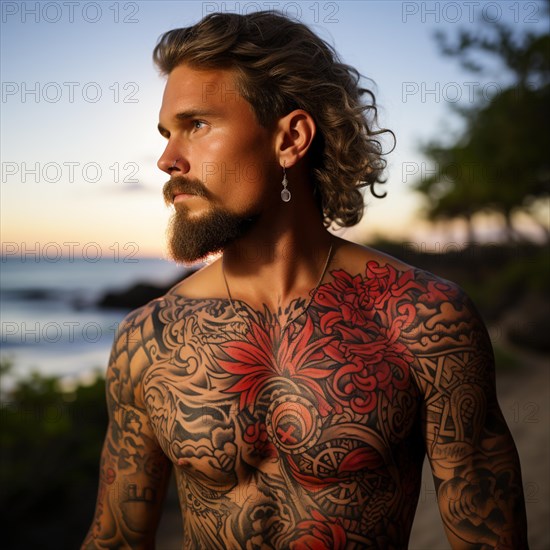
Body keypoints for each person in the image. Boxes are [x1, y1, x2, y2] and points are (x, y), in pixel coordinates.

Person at [83, 11, 528, 549]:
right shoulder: (147, 341)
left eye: (196, 125)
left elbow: (488, 537)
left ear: (290, 138)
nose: (166, 159)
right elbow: (115, 542)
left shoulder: (423, 319)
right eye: (167, 133)